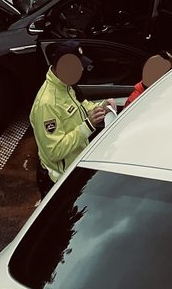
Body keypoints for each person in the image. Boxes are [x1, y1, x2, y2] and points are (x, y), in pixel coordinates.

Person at [31, 42, 114, 195]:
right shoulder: (47, 105)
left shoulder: (68, 86)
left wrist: (101, 107)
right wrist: (88, 125)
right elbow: (54, 152)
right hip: (59, 181)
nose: (81, 69)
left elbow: (84, 106)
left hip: (75, 168)